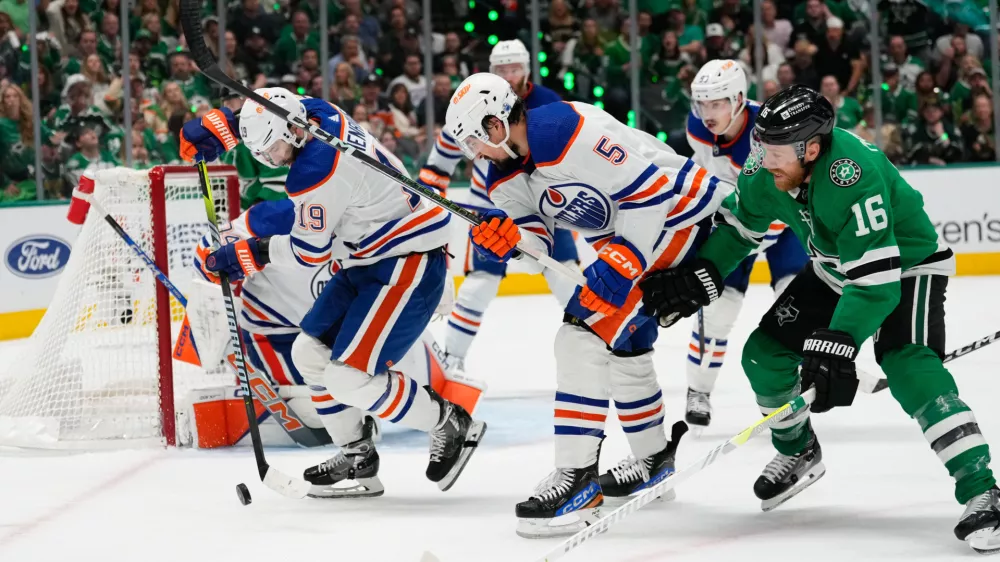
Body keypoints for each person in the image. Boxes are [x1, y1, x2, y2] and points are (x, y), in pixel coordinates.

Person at [639, 84, 1000, 554]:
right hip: (833, 267)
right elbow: (742, 227)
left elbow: (876, 281)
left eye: (775, 150)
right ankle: (798, 450)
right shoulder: (766, 167)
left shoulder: (852, 175)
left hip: (907, 266)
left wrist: (839, 341)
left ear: (811, 148)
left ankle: (981, 489)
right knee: (764, 356)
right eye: (761, 146)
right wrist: (704, 274)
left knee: (907, 362)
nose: (764, 160)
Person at [444, 72, 728, 537]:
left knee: (580, 336)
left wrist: (624, 258)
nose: (474, 153)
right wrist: (511, 238)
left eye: (475, 140)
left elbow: (651, 192)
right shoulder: (502, 174)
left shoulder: (560, 131)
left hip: (685, 215)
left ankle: (577, 478)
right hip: (641, 232)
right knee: (625, 340)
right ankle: (654, 460)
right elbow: (537, 236)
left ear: (496, 125)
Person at [178, 87, 485, 494]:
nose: (270, 160)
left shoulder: (315, 170)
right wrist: (229, 126)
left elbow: (308, 251)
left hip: (406, 262)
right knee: (309, 353)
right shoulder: (317, 114)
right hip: (369, 256)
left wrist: (249, 253)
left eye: (272, 150)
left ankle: (448, 421)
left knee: (348, 378)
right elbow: (281, 109)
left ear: (292, 131)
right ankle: (358, 456)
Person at [416, 39, 579, 380]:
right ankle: (453, 360)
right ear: (492, 72)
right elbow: (438, 166)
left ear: (527, 69)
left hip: (545, 209)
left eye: (515, 68)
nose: (509, 74)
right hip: (493, 211)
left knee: (566, 280)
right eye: (502, 69)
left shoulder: (548, 103)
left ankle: (597, 342)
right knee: (478, 286)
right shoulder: (471, 104)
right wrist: (426, 204)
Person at [682, 60, 808, 431]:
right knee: (719, 312)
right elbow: (703, 169)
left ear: (738, 99)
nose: (707, 113)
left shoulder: (771, 133)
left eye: (717, 103)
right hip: (735, 227)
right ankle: (698, 391)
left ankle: (791, 386)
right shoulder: (697, 128)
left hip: (781, 227)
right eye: (702, 104)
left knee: (797, 302)